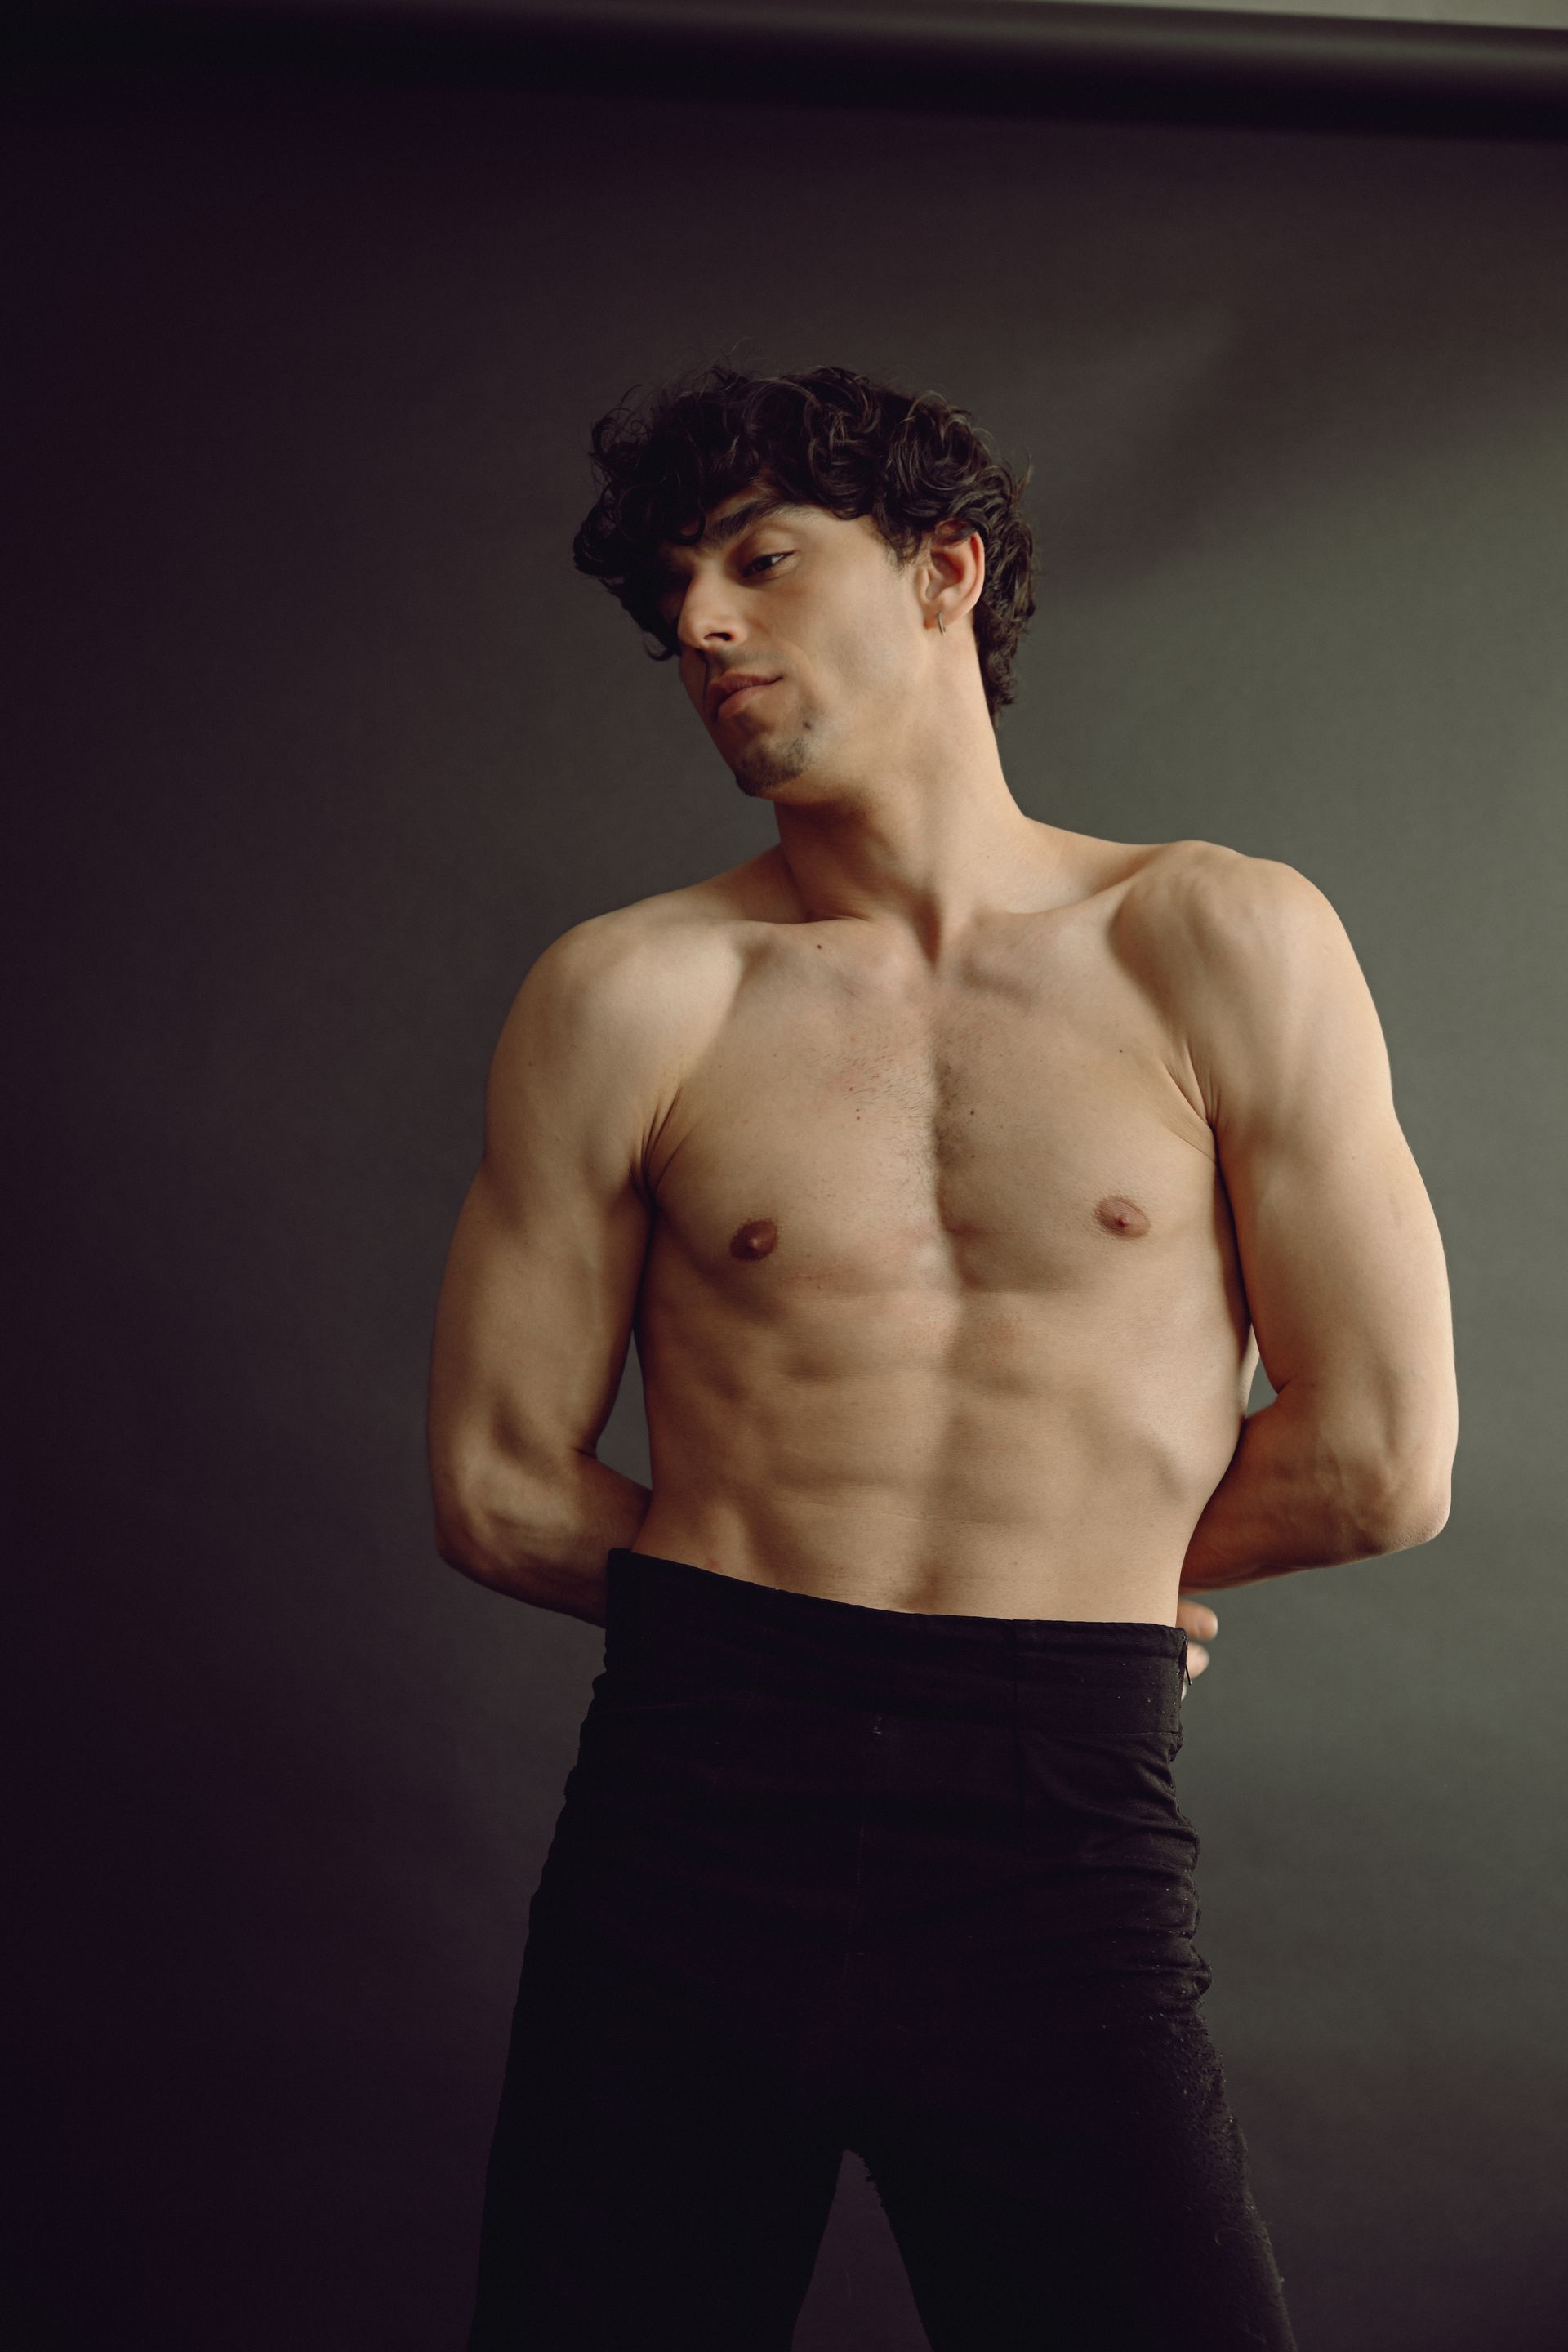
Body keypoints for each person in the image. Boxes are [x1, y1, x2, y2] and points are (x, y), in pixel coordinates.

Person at [427, 363, 1458, 2350]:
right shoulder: (632, 993)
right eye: (675, 594)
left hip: (1052, 1831)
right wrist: (850, 1628)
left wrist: (1051, 1592)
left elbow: (1378, 1458)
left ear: (943, 572)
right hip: (689, 1823)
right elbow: (493, 1485)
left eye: (759, 559)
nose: (701, 625)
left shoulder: (1215, 939)